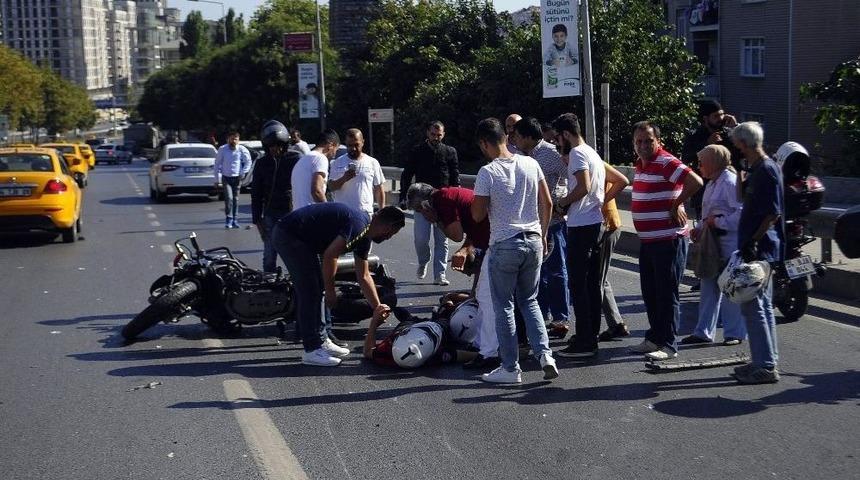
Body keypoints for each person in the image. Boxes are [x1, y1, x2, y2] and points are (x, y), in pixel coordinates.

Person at [471, 117, 558, 384]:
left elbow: (476, 215)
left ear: (485, 144)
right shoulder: (531, 163)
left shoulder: (488, 172)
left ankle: (510, 368)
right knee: (530, 301)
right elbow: (547, 202)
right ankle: (546, 355)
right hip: (533, 240)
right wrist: (542, 235)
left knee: (504, 307)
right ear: (506, 138)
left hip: (504, 244)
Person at [272, 203, 406, 366]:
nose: (388, 237)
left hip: (302, 240)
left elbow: (363, 276)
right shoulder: (359, 224)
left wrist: (377, 307)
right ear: (388, 226)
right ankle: (311, 349)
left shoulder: (365, 237)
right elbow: (330, 256)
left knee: (317, 289)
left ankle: (321, 340)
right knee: (310, 291)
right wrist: (330, 291)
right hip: (289, 235)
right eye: (391, 233)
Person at [629, 121, 703, 361]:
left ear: (658, 141)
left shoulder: (666, 161)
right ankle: (654, 338)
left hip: (668, 239)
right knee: (650, 292)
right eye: (639, 141)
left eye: (649, 140)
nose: (643, 145)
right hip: (649, 241)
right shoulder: (641, 165)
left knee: (666, 292)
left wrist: (675, 203)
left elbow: (695, 181)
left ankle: (669, 344)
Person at [405, 182, 499, 369]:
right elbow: (470, 226)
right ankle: (488, 342)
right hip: (488, 235)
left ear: (424, 205)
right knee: (482, 293)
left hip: (493, 240)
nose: (422, 215)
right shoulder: (448, 194)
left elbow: (455, 235)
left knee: (487, 297)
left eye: (419, 210)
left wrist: (435, 219)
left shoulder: (441, 202)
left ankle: (487, 348)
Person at [730, 121, 784, 384]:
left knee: (754, 308)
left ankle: (765, 365)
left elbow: (773, 212)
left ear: (743, 144)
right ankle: (765, 360)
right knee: (761, 307)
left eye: (736, 143)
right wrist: (741, 174)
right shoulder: (756, 169)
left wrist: (753, 240)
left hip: (760, 250)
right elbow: (742, 199)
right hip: (757, 247)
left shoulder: (767, 171)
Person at [550, 113, 606, 358]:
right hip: (595, 222)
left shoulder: (577, 154)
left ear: (564, 135)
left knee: (578, 284)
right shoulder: (591, 152)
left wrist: (562, 203)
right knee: (591, 283)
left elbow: (582, 187)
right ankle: (590, 332)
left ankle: (584, 340)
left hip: (581, 225)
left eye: (558, 138)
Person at [682, 144, 746, 346]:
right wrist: (699, 228)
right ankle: (703, 332)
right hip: (712, 245)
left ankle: (734, 333)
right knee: (708, 288)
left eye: (702, 162)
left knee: (729, 289)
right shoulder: (712, 183)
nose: (699, 166)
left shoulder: (729, 181)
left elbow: (741, 214)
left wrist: (716, 223)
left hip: (728, 245)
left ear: (714, 162)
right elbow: (708, 212)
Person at [511, 117, 570, 334]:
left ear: (527, 137)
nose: (513, 140)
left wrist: (561, 203)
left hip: (552, 223)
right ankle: (541, 314)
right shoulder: (520, 156)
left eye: (517, 136)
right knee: (538, 273)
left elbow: (572, 178)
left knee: (556, 272)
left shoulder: (551, 154)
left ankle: (561, 318)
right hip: (532, 224)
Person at [399, 121, 460, 286]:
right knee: (421, 238)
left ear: (443, 134)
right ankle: (423, 260)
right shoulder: (418, 151)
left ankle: (440, 274)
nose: (436, 138)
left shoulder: (449, 152)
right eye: (433, 134)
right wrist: (404, 196)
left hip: (444, 201)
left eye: (439, 135)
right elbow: (407, 174)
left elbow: (455, 176)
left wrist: (456, 200)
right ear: (427, 133)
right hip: (422, 201)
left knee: (442, 240)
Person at [363, 293, 478, 368]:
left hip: (409, 325)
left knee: (404, 316)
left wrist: (374, 322)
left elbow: (368, 352)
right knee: (446, 319)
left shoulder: (389, 351)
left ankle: (409, 318)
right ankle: (412, 318)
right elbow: (464, 355)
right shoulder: (437, 356)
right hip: (443, 326)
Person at [251, 120, 302, 273]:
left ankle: (298, 284)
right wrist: (257, 220)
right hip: (271, 214)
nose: (275, 149)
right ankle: (269, 287)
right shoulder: (262, 164)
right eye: (271, 146)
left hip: (292, 213)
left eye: (278, 145)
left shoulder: (296, 159)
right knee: (269, 255)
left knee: (295, 253)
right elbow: (256, 193)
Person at [681, 100, 741, 219]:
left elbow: (743, 152)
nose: (721, 118)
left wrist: (737, 128)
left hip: (729, 189)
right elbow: (686, 157)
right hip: (705, 192)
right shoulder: (695, 136)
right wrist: (706, 144)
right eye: (716, 116)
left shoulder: (729, 133)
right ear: (706, 118)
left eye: (722, 114)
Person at [596, 161, 631, 341]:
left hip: (606, 225)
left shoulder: (594, 162)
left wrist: (601, 202)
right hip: (604, 225)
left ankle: (589, 330)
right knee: (601, 278)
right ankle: (616, 324)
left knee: (596, 281)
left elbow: (622, 180)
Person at [328, 128, 385, 219]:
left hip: (364, 214)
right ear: (346, 144)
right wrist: (344, 178)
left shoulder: (372, 162)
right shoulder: (337, 163)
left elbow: (379, 189)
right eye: (349, 145)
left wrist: (382, 211)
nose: (353, 148)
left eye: (356, 145)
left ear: (362, 142)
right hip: (342, 215)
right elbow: (331, 187)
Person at [290, 129, 340, 211]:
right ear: (330, 145)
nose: (334, 155)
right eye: (336, 150)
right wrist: (329, 211)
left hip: (298, 215)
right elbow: (317, 191)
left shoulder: (302, 160)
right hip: (312, 215)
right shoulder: (320, 158)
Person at [213, 131, 252, 229]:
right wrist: (217, 179)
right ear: (228, 139)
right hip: (226, 177)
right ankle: (228, 219)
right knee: (229, 198)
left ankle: (235, 219)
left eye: (235, 139)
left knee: (236, 199)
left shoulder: (241, 149)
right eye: (231, 139)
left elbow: (248, 161)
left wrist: (243, 173)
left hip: (237, 178)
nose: (233, 141)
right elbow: (217, 164)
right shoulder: (222, 149)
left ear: (238, 140)